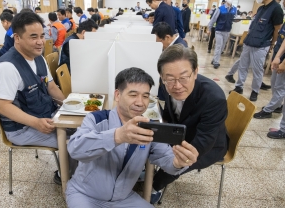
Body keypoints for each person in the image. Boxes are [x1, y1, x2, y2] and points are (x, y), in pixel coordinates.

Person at [65, 67, 199, 207]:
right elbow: (75, 149)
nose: (140, 103)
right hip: (84, 194)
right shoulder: (97, 119)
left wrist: (178, 163)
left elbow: (166, 159)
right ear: (117, 95)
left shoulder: (149, 128)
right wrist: (117, 136)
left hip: (123, 199)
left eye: (145, 96)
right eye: (133, 94)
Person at [0, 11, 65, 185]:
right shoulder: (7, 67)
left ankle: (74, 170)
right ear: (17, 37)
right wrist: (36, 123)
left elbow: (51, 87)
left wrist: (68, 107)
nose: (40, 42)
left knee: (82, 129)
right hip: (21, 128)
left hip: (45, 113)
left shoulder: (39, 58)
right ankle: (66, 177)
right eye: (33, 37)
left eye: (42, 36)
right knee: (72, 141)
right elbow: (3, 106)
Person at [150, 44, 229, 204]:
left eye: (184, 77)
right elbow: (169, 111)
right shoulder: (167, 83)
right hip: (182, 132)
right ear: (162, 76)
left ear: (195, 72)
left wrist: (173, 159)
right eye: (169, 79)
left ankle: (153, 188)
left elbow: (204, 141)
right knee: (146, 146)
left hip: (209, 145)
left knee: (169, 166)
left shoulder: (214, 98)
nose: (177, 86)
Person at [229, 0, 283, 101]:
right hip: (249, 41)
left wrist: (272, 44)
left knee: (257, 69)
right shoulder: (261, 8)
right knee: (243, 66)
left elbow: (277, 29)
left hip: (261, 45)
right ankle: (239, 86)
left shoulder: (276, 9)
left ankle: (255, 91)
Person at [253, 0, 285, 121]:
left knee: (280, 86)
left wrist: (283, 62)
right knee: (275, 83)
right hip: (279, 56)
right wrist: (276, 56)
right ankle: (278, 105)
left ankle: (268, 110)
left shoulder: (276, 9)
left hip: (283, 61)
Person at [152, 22, 188, 103]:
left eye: (159, 42)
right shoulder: (174, 44)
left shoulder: (179, 50)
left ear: (167, 37)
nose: (158, 45)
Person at [207, 0, 237, 69]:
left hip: (227, 30)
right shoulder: (220, 8)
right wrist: (209, 28)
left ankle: (214, 59)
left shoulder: (234, 9)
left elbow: (234, 19)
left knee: (222, 47)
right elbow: (213, 19)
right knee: (219, 45)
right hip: (219, 30)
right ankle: (216, 62)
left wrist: (238, 19)